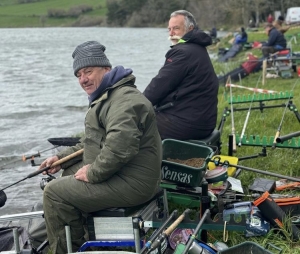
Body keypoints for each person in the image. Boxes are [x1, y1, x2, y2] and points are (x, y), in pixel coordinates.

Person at [40, 41, 162, 253]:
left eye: (88, 71)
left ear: (106, 69)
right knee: (69, 173)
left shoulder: (124, 100)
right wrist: (60, 160)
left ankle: (66, 249)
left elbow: (120, 147)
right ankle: (83, 236)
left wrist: (93, 173)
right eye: (78, 75)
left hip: (134, 182)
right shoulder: (108, 96)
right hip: (125, 173)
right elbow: (89, 142)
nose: (83, 79)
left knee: (53, 193)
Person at [143, 10, 219, 141]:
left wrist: (135, 105)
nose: (171, 33)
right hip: (203, 121)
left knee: (131, 123)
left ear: (190, 29)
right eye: (169, 29)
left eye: (176, 28)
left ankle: (139, 161)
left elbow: (158, 87)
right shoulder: (197, 47)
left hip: (188, 123)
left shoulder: (183, 52)